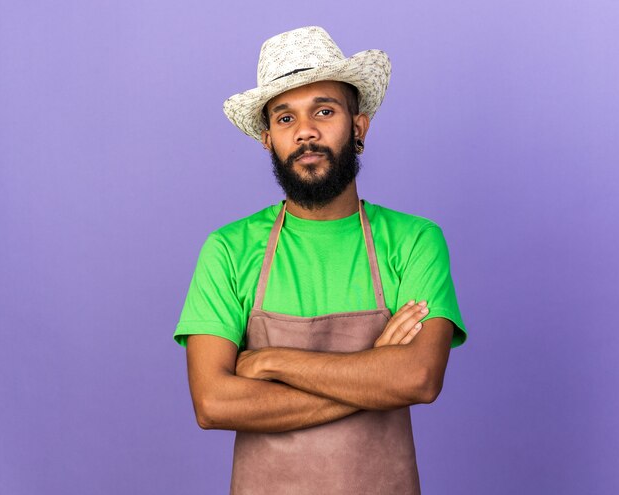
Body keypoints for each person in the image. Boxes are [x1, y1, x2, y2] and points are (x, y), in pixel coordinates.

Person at [174, 26, 468, 495]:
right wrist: (373, 372)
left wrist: (270, 361)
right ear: (268, 138)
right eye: (285, 118)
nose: (305, 131)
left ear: (358, 126)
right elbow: (213, 403)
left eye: (324, 111)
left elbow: (418, 377)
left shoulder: (413, 240)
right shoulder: (228, 249)